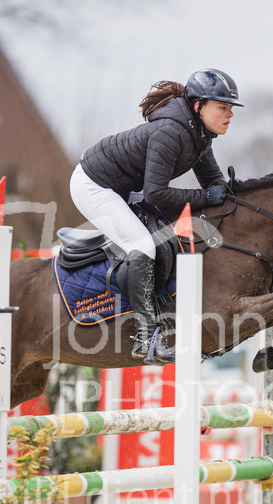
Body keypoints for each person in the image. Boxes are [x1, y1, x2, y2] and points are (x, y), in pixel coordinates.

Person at [70, 69, 241, 365]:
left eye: (230, 109)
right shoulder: (172, 132)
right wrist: (206, 197)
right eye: (223, 107)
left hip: (123, 187)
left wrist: (239, 198)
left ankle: (163, 311)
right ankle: (145, 337)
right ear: (199, 106)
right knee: (143, 244)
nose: (230, 115)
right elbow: (156, 194)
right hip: (93, 184)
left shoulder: (200, 137)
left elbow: (215, 185)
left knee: (166, 235)